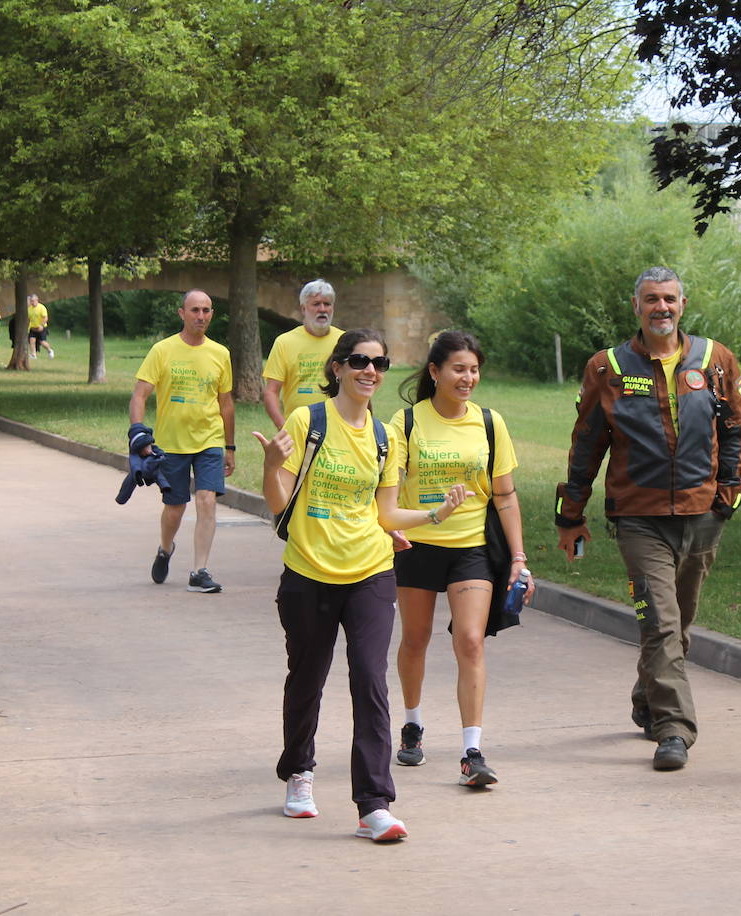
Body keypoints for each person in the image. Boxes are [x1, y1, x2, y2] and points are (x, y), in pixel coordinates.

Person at [251, 328, 471, 841]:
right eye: (358, 361)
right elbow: (280, 504)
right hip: (308, 572)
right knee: (307, 678)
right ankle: (300, 773)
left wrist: (435, 514)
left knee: (369, 682)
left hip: (371, 572)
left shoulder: (385, 437)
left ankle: (374, 804)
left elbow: (385, 511)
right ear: (337, 368)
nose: (369, 370)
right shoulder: (310, 421)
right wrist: (269, 467)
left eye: (379, 363)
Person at [556, 266, 741, 771]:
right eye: (651, 300)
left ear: (682, 304)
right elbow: (587, 444)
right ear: (636, 306)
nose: (660, 308)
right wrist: (569, 514)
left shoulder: (714, 360)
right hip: (638, 518)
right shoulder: (608, 367)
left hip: (702, 514)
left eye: (669, 299)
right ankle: (674, 731)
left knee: (678, 624)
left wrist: (728, 493)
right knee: (661, 624)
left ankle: (648, 698)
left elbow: (735, 430)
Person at [389, 330, 532, 787]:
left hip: (471, 547)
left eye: (473, 369)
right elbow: (386, 488)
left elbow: (506, 495)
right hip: (417, 543)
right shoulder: (407, 422)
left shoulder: (490, 422)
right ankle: (412, 724)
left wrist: (517, 557)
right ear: (434, 372)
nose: (468, 377)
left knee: (470, 640)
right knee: (415, 639)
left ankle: (472, 750)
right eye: (458, 368)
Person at [128, 290, 234, 594]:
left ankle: (199, 571)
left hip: (209, 440)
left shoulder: (220, 353)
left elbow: (226, 403)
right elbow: (140, 394)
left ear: (212, 314)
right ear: (182, 313)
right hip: (172, 444)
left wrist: (229, 446)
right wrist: (138, 432)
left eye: (206, 310)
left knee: (207, 500)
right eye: (194, 310)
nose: (200, 316)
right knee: (174, 508)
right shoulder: (163, 350)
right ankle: (165, 548)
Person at [262, 279, 342, 427]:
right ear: (303, 308)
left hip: (338, 427)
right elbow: (271, 392)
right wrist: (284, 428)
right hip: (298, 427)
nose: (322, 309)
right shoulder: (284, 342)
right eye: (316, 304)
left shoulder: (344, 341)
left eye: (327, 304)